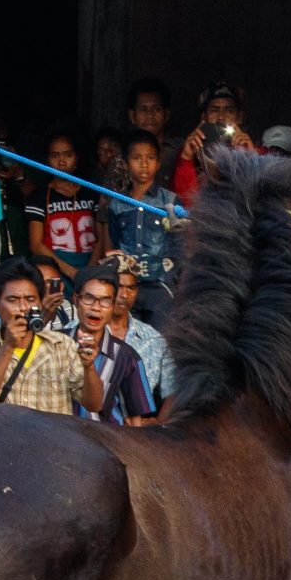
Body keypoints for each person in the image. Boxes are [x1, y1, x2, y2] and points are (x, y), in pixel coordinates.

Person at [0, 260, 104, 416]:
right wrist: (8, 347)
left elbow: (94, 405)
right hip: (1, 440)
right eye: (13, 300)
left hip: (52, 440)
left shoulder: (62, 345)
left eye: (30, 300)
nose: (23, 307)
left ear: (40, 302)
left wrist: (89, 367)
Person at [106, 130, 183, 325]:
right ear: (125, 163)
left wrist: (172, 278)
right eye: (137, 158)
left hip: (160, 284)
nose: (144, 164)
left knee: (160, 338)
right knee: (125, 335)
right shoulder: (117, 204)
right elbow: (115, 241)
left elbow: (179, 245)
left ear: (158, 163)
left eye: (150, 158)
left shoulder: (169, 201)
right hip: (126, 285)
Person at [70, 262, 156, 427]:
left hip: (105, 445)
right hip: (61, 441)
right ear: (76, 299)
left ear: (112, 306)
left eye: (105, 301)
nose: (96, 307)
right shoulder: (56, 343)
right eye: (89, 298)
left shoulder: (127, 356)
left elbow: (135, 418)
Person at [27, 131, 107, 284]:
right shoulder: (38, 196)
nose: (62, 161)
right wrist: (69, 271)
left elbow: (101, 237)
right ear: (47, 161)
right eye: (54, 156)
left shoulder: (91, 193)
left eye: (68, 155)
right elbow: (36, 244)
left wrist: (89, 270)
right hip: (55, 268)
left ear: (76, 159)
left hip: (90, 266)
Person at [107, 256, 174, 407]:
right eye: (119, 286)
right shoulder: (79, 332)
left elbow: (173, 393)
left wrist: (156, 424)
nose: (124, 295)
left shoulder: (154, 339)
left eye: (130, 288)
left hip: (137, 428)